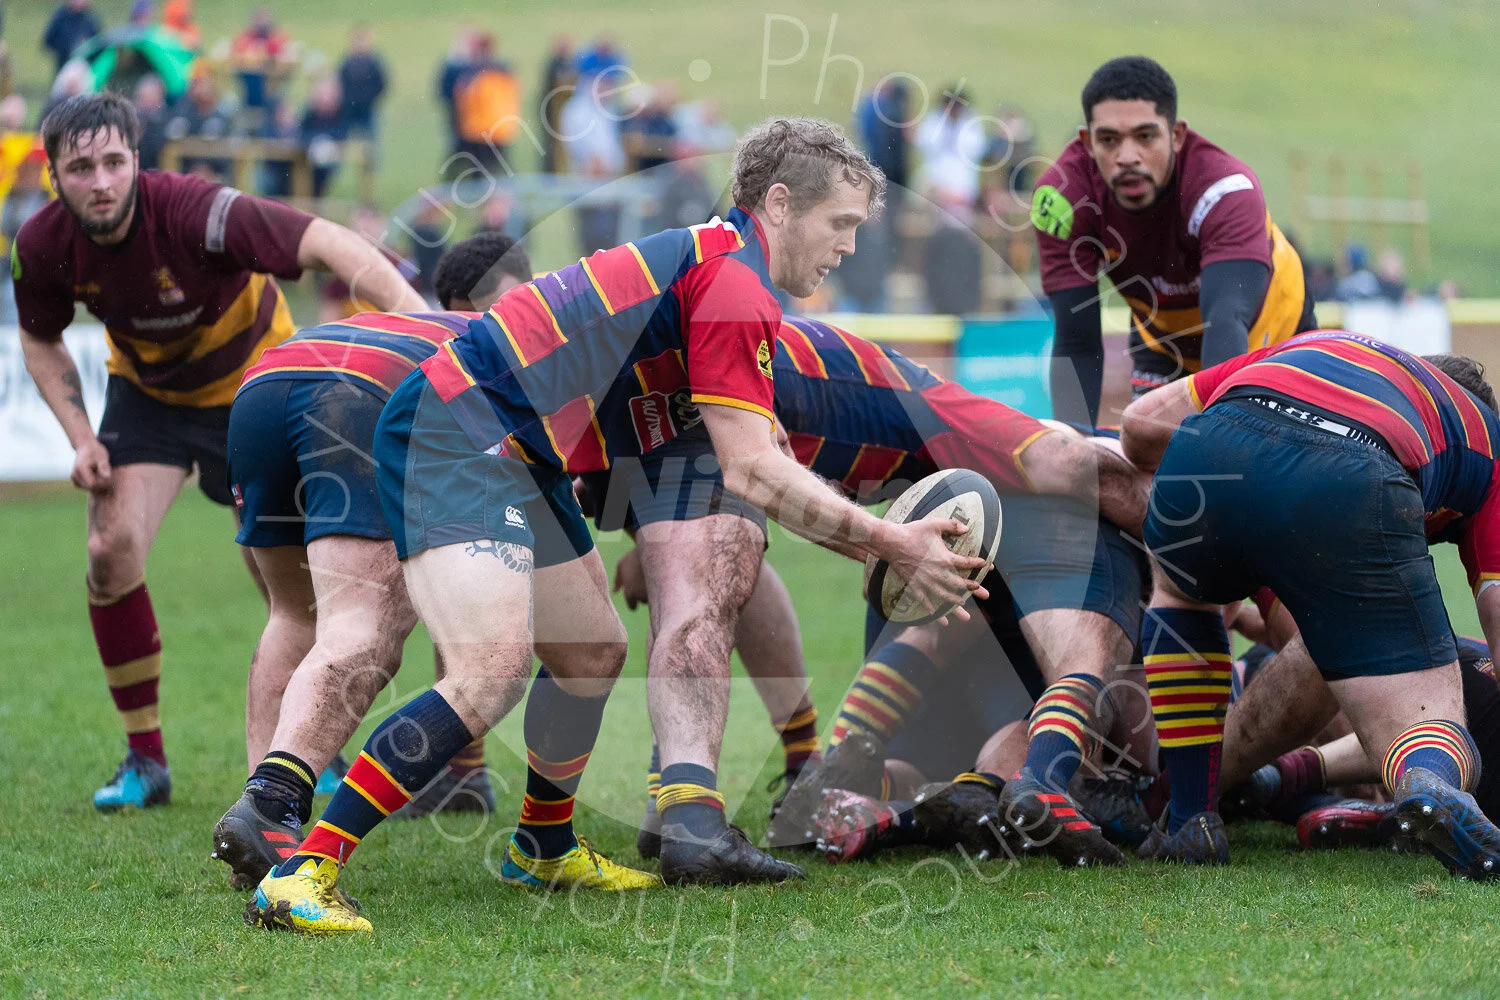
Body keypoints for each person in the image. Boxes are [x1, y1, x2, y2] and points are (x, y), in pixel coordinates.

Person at [244, 117, 992, 934]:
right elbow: (747, 469)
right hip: (458, 431)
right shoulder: (734, 280)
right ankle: (305, 868)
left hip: (517, 449)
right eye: (839, 224)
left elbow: (730, 442)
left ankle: (543, 844)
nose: (848, 246)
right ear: (779, 204)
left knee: (593, 649)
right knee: (489, 669)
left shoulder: (719, 266)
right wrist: (891, 542)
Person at [13, 93, 426, 813]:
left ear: (137, 162)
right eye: (82, 168)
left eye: (115, 161)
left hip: (256, 395)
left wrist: (427, 326)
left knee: (290, 596)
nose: (102, 181)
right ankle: (146, 760)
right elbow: (40, 338)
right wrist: (81, 440)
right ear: (54, 176)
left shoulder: (195, 211)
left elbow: (328, 241)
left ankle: (307, 754)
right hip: (148, 399)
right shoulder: (44, 244)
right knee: (108, 550)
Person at [213, 234, 652, 895]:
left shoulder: (483, 327)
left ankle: (270, 817)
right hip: (361, 396)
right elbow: (576, 462)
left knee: (296, 617)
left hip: (267, 385)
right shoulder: (551, 350)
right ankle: (275, 805)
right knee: (368, 623)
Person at [1121, 331, 1500, 876]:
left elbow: (1139, 425)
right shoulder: (1484, 444)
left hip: (1207, 449)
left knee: (1180, 591)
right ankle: (1427, 781)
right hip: (1352, 475)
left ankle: (1189, 819)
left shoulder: (1323, 345)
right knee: (1431, 714)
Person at [1036, 56, 1316, 425]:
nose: (1127, 157)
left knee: (1238, 459)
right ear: (1087, 142)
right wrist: (1070, 455)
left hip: (1269, 328)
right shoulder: (1060, 201)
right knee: (1151, 459)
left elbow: (1227, 320)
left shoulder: (1225, 189)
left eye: (1145, 136)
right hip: (1163, 340)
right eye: (1108, 140)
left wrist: (1218, 443)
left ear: (1177, 134)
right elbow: (1077, 343)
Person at [336, 25, 386, 148]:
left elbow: (381, 84)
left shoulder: (374, 63)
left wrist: (369, 98)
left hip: (368, 109)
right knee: (341, 141)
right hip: (347, 109)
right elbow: (339, 83)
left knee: (371, 144)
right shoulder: (347, 63)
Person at [43, 0, 100, 78]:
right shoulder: (60, 18)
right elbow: (48, 41)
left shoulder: (91, 20)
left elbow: (97, 44)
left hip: (85, 70)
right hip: (63, 68)